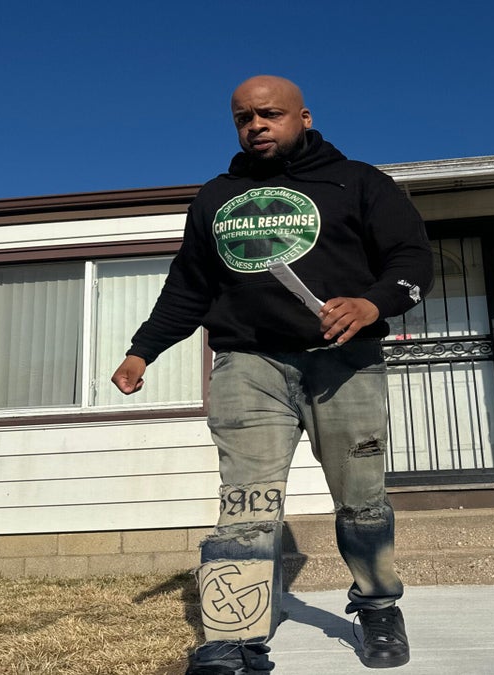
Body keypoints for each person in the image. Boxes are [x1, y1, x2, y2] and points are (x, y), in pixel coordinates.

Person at [112, 75, 432, 674]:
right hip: (249, 366)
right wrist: (143, 350)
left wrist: (371, 304)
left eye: (270, 114)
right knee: (246, 505)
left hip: (344, 364)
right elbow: (189, 286)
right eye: (243, 118)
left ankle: (379, 606)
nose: (256, 125)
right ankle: (235, 637)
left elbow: (411, 260)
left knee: (361, 499)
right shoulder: (217, 197)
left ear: (303, 118)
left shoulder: (358, 181)